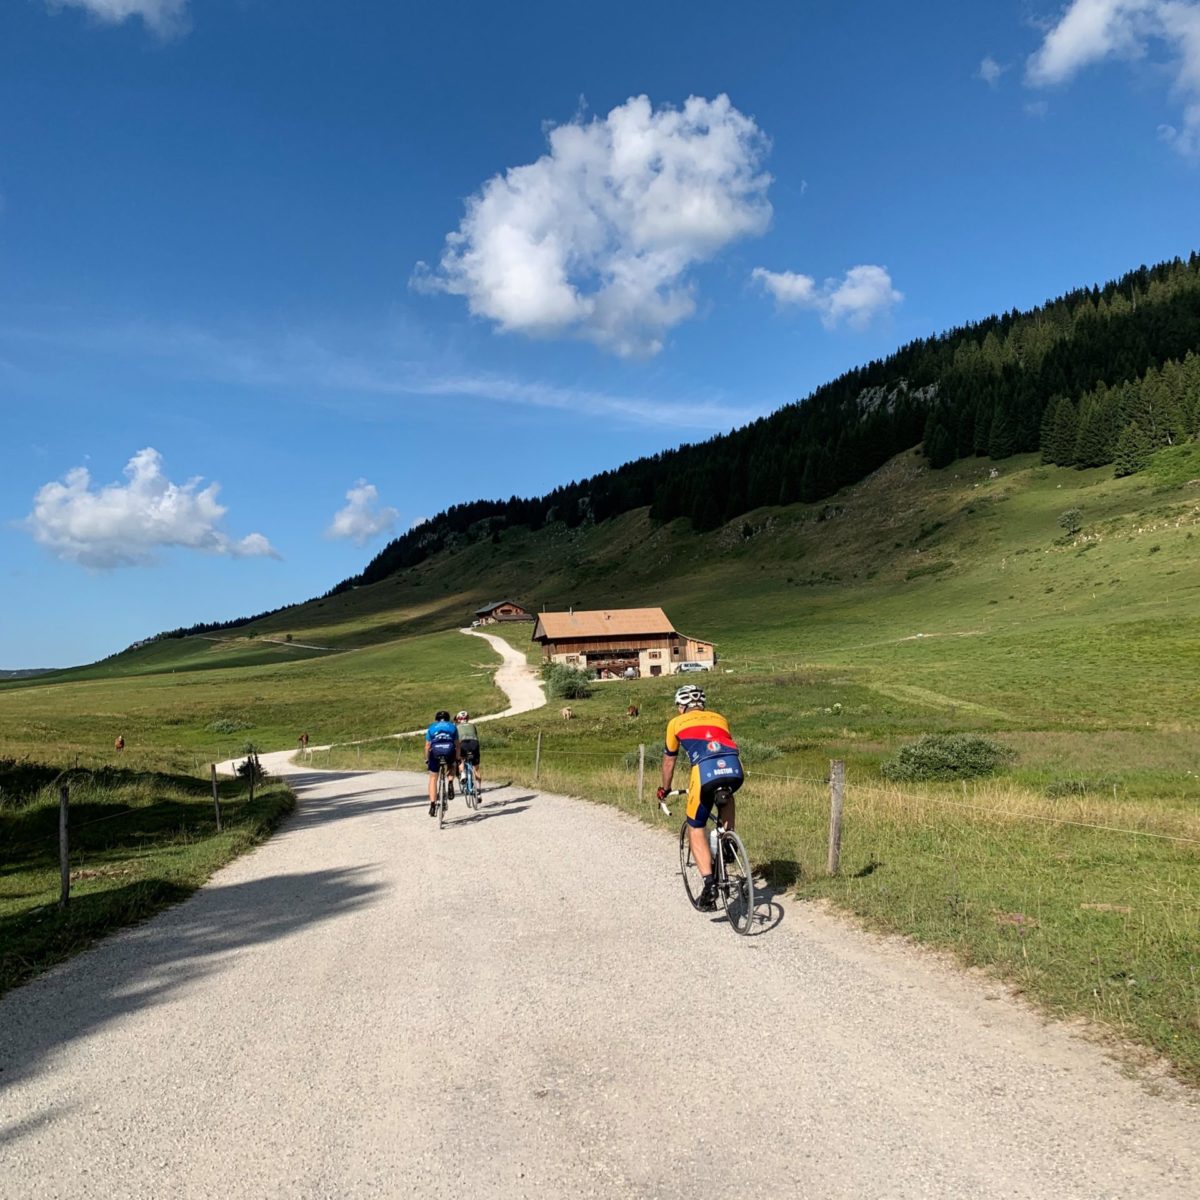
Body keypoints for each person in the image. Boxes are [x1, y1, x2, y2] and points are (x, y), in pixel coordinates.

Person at [656, 683, 744, 912]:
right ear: (701, 704)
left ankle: (709, 885)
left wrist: (664, 789)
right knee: (726, 794)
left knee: (696, 826)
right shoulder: (720, 718)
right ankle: (727, 841)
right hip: (734, 768)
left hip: (704, 772)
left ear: (681, 706)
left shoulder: (675, 723)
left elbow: (669, 760)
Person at [425, 710, 458, 816]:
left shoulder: (432, 727)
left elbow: (427, 746)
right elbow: (457, 744)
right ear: (448, 718)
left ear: (436, 719)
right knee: (452, 765)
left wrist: (427, 759)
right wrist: (457, 758)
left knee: (433, 778)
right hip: (449, 750)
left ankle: (432, 805)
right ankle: (450, 782)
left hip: (435, 751)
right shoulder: (452, 727)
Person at [454, 711, 482, 794]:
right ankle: (479, 790)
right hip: (474, 743)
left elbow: (455, 740)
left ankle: (463, 774)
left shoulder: (456, 727)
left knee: (461, 758)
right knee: (476, 768)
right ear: (468, 718)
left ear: (458, 719)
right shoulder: (472, 725)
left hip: (463, 744)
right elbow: (475, 735)